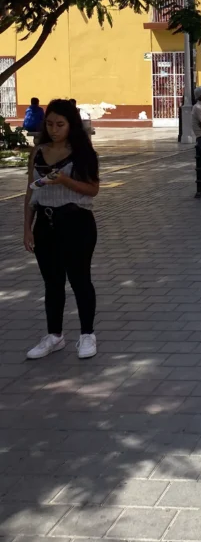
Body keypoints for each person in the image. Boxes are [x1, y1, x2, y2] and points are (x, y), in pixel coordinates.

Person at [23, 99, 100, 360]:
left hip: (76, 222)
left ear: (71, 125)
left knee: (79, 279)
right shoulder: (38, 151)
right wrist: (27, 228)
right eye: (50, 124)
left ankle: (87, 335)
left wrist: (65, 180)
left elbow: (93, 190)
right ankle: (54, 336)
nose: (54, 129)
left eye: (60, 124)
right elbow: (29, 193)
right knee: (52, 283)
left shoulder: (83, 153)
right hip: (45, 223)